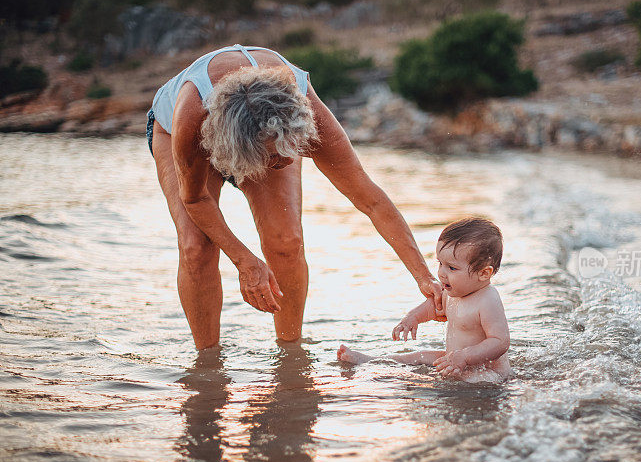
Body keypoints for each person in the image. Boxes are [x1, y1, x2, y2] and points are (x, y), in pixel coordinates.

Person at [146, 44, 442, 350]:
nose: (286, 162)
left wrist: (424, 277)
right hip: (181, 132)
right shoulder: (190, 115)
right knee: (197, 247)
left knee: (286, 241)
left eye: (292, 149)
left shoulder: (304, 113)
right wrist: (245, 261)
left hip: (269, 128)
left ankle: (290, 351)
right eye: (274, 158)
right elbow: (194, 200)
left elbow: (372, 201)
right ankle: (207, 364)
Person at [338, 218, 512, 382]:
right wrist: (413, 317)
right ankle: (371, 361)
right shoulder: (451, 292)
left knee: (466, 381)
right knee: (417, 356)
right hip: (454, 360)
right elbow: (434, 307)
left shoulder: (488, 300)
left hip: (489, 373)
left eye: (452, 267)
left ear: (484, 273)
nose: (442, 273)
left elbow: (500, 341)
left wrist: (465, 356)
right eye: (440, 263)